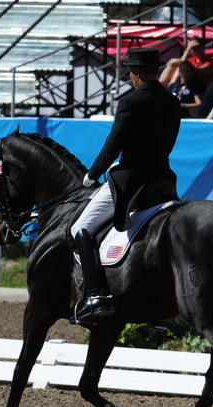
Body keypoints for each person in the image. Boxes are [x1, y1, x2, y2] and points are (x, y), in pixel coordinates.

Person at [70, 47, 181, 324]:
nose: (130, 76)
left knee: (80, 228)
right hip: (163, 180)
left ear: (138, 73)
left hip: (131, 180)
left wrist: (93, 174)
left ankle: (95, 296)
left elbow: (112, 147)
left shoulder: (130, 102)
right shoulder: (172, 102)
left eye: (131, 71)